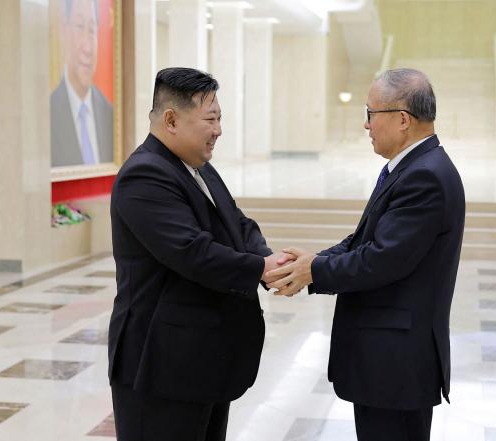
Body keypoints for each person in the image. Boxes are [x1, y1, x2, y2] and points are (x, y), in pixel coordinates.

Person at [267, 68, 466, 441]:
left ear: (403, 119)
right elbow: (364, 239)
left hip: (397, 365)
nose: (366, 125)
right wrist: (312, 262)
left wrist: (315, 272)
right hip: (390, 361)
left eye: (371, 114)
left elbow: (381, 259)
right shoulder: (411, 168)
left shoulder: (425, 176)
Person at [108, 67, 291, 441]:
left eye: (220, 118)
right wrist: (259, 268)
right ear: (171, 119)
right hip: (160, 365)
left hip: (201, 361)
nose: (219, 130)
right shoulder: (144, 174)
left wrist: (268, 259)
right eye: (211, 119)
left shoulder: (198, 167)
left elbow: (238, 223)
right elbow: (192, 252)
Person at [50, 0, 113, 167]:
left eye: (92, 30)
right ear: (64, 31)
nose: (88, 47)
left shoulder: (110, 113)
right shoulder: (47, 113)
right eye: (79, 26)